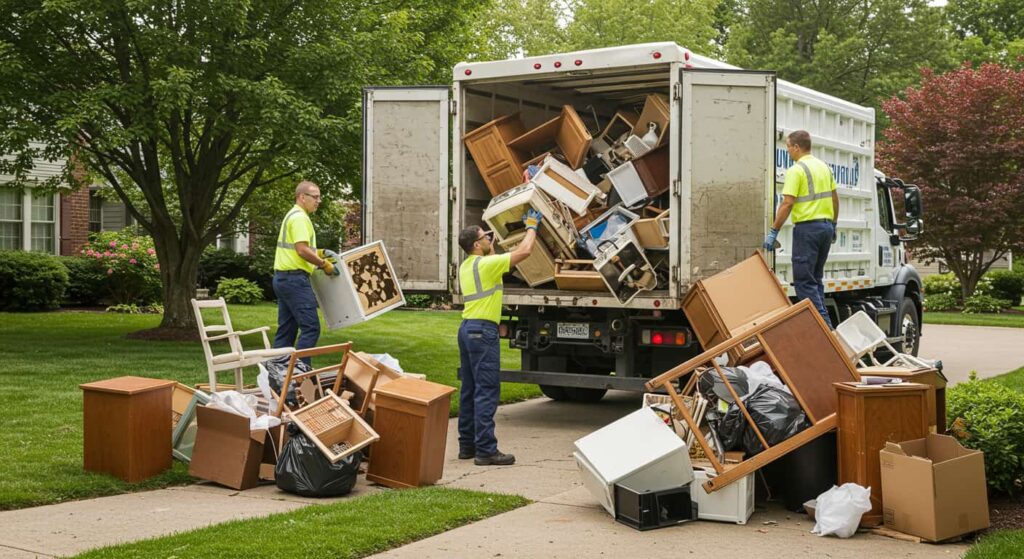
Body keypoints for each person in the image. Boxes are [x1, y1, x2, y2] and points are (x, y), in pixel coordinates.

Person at [457, 210, 543, 466]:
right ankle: (486, 450)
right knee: (487, 390)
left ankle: (467, 446)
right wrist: (531, 227)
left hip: (467, 329)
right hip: (483, 331)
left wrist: (491, 247)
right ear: (476, 244)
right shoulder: (486, 264)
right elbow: (525, 252)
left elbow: (493, 263)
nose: (489, 238)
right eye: (485, 236)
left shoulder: (468, 265)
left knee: (470, 389)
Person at [764, 130, 840, 327]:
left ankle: (824, 329)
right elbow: (834, 198)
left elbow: (787, 203)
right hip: (825, 227)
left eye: (788, 147)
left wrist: (774, 231)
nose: (788, 151)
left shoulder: (796, 170)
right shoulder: (824, 167)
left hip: (807, 230)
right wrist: (833, 224)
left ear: (797, 147)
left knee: (804, 283)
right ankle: (825, 327)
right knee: (816, 280)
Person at [273, 180, 339, 361]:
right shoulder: (300, 218)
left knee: (286, 332)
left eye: (319, 197)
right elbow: (301, 250)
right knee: (311, 328)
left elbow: (299, 247)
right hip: (295, 280)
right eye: (315, 197)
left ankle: (277, 377)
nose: (318, 201)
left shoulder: (292, 215)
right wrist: (324, 264)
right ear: (302, 197)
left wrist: (320, 252)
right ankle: (301, 376)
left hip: (283, 279)